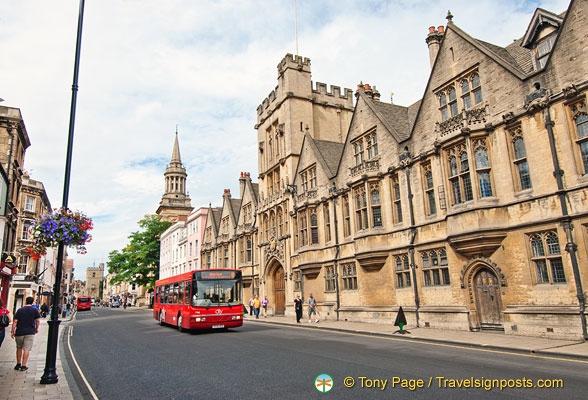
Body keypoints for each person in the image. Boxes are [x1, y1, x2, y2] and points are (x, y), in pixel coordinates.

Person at [11, 296, 41, 371]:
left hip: (19, 332)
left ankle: (18, 364)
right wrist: (36, 329)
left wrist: (12, 331)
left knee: (19, 348)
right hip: (30, 332)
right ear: (32, 302)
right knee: (27, 349)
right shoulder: (35, 310)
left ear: (25, 302)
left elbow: (15, 321)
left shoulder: (20, 310)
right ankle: (24, 365)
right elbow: (37, 321)